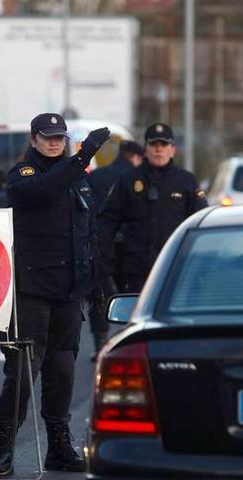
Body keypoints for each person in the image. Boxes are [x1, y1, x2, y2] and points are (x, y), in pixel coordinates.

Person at [0, 113, 111, 475]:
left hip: (68, 291)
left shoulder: (77, 180)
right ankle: (3, 448)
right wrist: (83, 156)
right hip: (30, 290)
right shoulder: (24, 174)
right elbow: (44, 191)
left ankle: (59, 447)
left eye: (59, 137)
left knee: (62, 372)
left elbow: (88, 232)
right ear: (33, 139)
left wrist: (96, 276)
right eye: (47, 137)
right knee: (22, 372)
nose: (54, 142)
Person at [98, 123, 208, 293]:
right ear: (145, 149)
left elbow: (200, 222)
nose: (159, 150)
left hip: (175, 267)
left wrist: (199, 265)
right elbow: (107, 222)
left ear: (172, 149)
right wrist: (106, 264)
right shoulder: (128, 180)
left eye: (163, 145)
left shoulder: (186, 181)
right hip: (136, 270)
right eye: (154, 145)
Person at [85, 140, 144, 358]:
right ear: (136, 157)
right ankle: (129, 341)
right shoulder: (138, 178)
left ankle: (100, 344)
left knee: (99, 295)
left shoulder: (97, 176)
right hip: (131, 246)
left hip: (100, 243)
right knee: (132, 294)